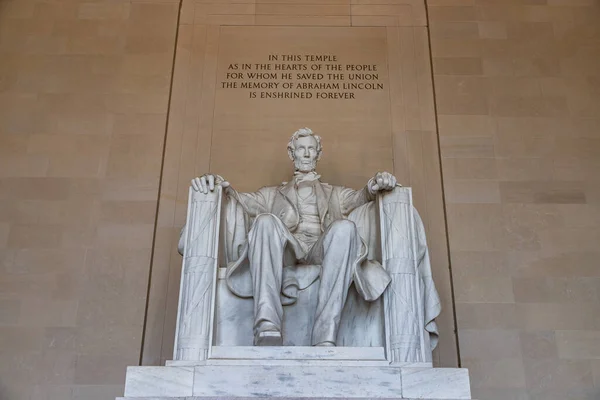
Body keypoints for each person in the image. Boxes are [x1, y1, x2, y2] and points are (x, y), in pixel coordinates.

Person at [190, 128, 397, 346]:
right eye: (301, 149)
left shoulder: (335, 194)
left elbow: (360, 197)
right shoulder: (271, 194)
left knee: (345, 228)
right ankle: (267, 324)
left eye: (311, 149)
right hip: (287, 251)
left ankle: (325, 334)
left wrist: (375, 184)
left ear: (318, 154)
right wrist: (217, 183)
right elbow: (241, 199)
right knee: (265, 221)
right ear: (292, 154)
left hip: (321, 250)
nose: (306, 154)